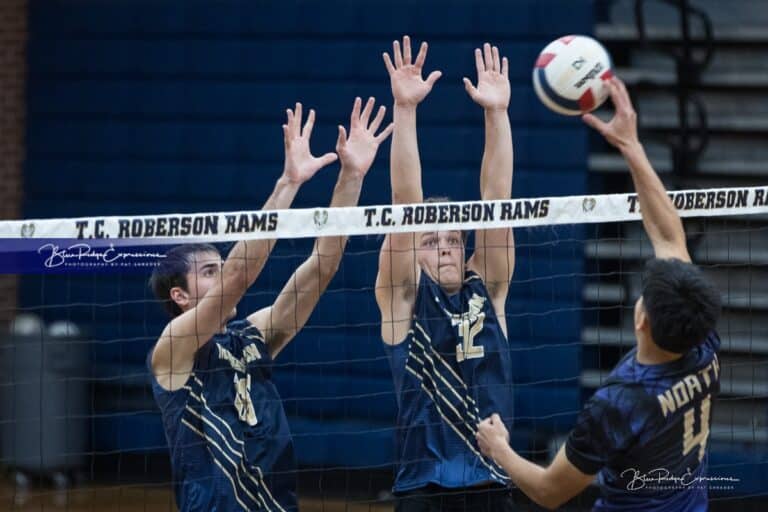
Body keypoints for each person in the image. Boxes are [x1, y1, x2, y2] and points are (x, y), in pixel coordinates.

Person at [476, 77, 722, 511]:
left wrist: (499, 449)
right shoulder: (701, 344)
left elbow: (551, 491)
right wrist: (629, 145)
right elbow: (669, 237)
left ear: (641, 319)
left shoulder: (618, 403)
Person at [148, 98, 393, 511]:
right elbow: (238, 279)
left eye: (220, 266)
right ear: (180, 296)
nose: (221, 274)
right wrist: (289, 184)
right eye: (209, 272)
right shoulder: (174, 347)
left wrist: (351, 177)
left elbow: (321, 267)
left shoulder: (252, 335)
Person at [376, 36, 516, 511]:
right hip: (423, 487)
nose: (445, 249)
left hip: (492, 478)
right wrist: (405, 109)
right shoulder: (403, 298)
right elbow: (404, 205)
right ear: (414, 254)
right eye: (431, 241)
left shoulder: (488, 287)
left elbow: (496, 199)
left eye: (453, 239)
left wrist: (496, 114)